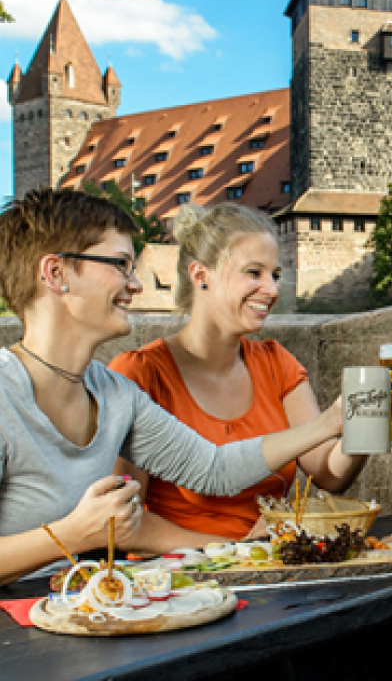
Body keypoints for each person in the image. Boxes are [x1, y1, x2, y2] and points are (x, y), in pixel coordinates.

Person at [0, 189, 342, 584]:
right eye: (120, 265)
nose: (135, 285)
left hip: (80, 613)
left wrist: (330, 423)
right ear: (56, 273)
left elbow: (213, 469)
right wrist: (72, 535)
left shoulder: (114, 394)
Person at [110, 203, 367, 550]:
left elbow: (327, 473)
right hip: (181, 581)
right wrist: (237, 551)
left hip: (267, 569)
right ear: (201, 275)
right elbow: (123, 522)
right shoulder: (140, 374)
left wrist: (366, 426)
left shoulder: (277, 364)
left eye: (274, 275)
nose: (272, 290)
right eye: (253, 272)